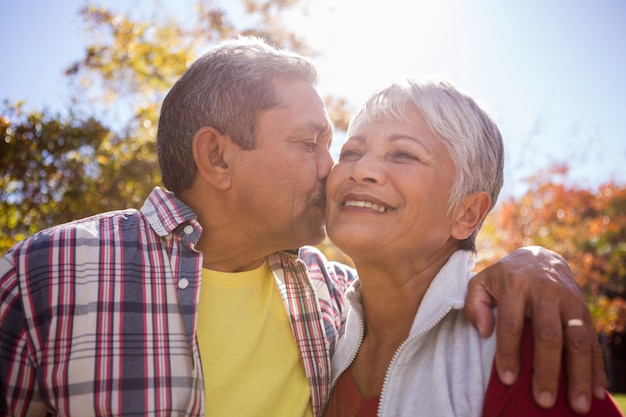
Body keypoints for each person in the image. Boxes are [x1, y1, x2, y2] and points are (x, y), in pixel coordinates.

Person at [0, 36, 605, 417]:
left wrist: (533, 258)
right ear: (217, 158)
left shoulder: (330, 295)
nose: (337, 169)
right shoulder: (46, 276)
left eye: (332, 145)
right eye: (318, 144)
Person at [322, 78, 622, 416]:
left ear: (467, 213)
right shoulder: (318, 319)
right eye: (351, 152)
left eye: (403, 154)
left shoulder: (517, 348)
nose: (362, 170)